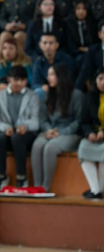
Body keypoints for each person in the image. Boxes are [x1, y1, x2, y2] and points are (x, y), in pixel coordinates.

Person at [32, 64, 83, 192]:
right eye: (48, 74)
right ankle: (37, 186)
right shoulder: (47, 94)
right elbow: (42, 119)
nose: (48, 78)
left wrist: (61, 132)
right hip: (50, 130)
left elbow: (79, 121)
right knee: (37, 146)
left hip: (70, 132)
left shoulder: (76, 94)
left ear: (61, 76)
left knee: (50, 148)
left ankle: (45, 187)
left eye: (52, 74)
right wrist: (48, 130)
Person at [0, 65, 39, 190]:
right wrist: (5, 128)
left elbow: (36, 121)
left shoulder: (32, 96)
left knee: (18, 138)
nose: (19, 83)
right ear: (9, 80)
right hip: (6, 132)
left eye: (22, 80)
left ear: (26, 81)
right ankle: (1, 177)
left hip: (26, 134)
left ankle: (21, 178)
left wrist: (25, 126)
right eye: (16, 79)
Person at [78, 68, 104, 199]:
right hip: (94, 135)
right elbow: (84, 121)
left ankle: (98, 190)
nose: (103, 82)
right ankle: (95, 190)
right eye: (100, 79)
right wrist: (89, 133)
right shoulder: (88, 97)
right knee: (83, 148)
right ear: (95, 80)